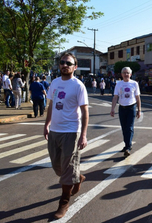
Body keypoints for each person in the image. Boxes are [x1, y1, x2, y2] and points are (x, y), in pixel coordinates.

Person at [43, 52, 89, 219]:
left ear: (74, 67)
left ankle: (64, 202)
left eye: (68, 63)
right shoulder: (54, 83)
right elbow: (51, 105)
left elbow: (85, 111)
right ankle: (77, 178)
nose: (64, 65)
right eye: (62, 62)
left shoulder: (78, 86)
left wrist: (83, 135)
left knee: (67, 167)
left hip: (71, 131)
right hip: (55, 131)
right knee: (58, 166)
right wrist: (46, 125)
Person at [110, 67, 141, 157]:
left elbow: (138, 98)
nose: (126, 74)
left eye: (127, 73)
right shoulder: (119, 84)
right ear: (121, 74)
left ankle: (128, 146)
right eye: (124, 72)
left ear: (130, 74)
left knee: (129, 127)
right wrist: (112, 109)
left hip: (131, 107)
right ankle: (126, 144)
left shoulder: (134, 83)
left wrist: (139, 110)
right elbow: (115, 97)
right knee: (124, 128)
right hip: (122, 108)